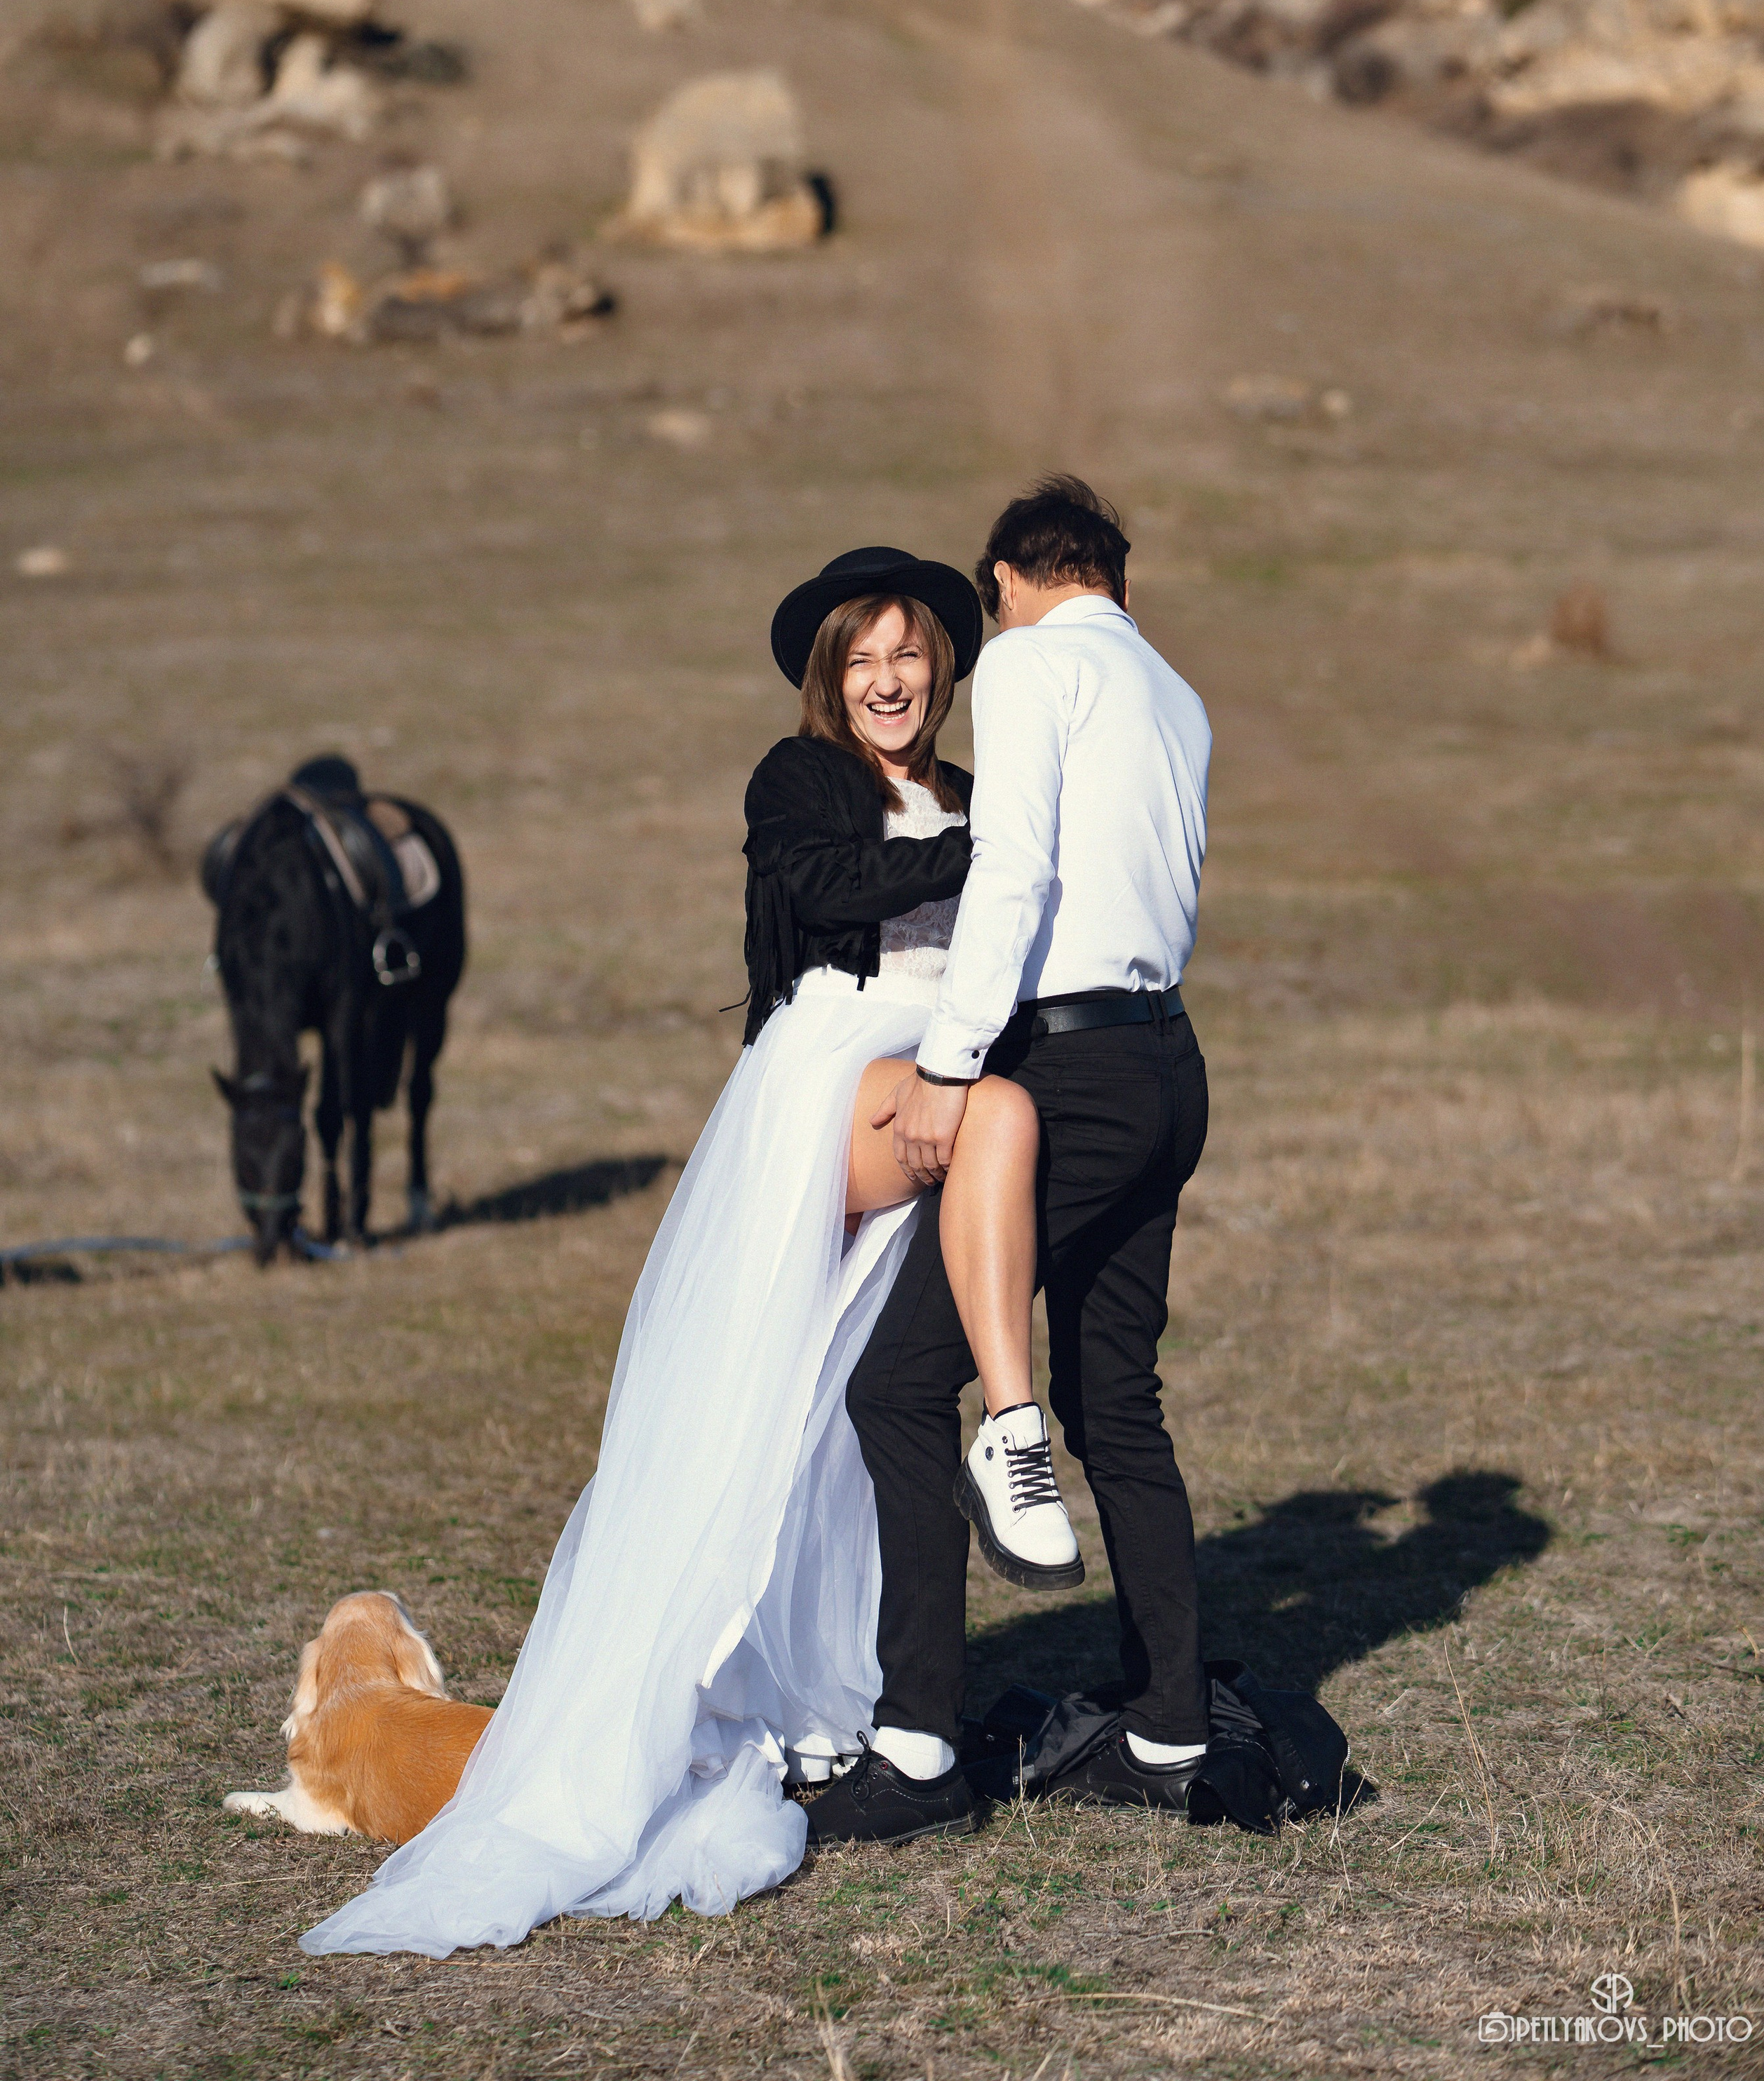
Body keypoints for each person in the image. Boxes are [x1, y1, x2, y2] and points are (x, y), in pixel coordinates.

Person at [299, 543, 1065, 1955]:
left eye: (908, 654)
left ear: (941, 667)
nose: (889, 678)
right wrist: (1011, 848)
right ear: (832, 683)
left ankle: (854, 1671)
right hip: (833, 1080)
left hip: (930, 1076)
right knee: (993, 1115)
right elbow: (839, 896)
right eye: (862, 660)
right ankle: (1014, 1430)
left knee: (822, 1426)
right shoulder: (802, 788)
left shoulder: (972, 791)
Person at [809, 477, 1215, 1849]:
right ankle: (1167, 1730)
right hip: (1168, 1062)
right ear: (1113, 569)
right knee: (1120, 1401)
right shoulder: (1173, 694)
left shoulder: (1037, 664)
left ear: (1003, 583)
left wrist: (948, 1065)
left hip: (1071, 1069)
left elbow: (1019, 874)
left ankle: (918, 1749)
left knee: (897, 1384)